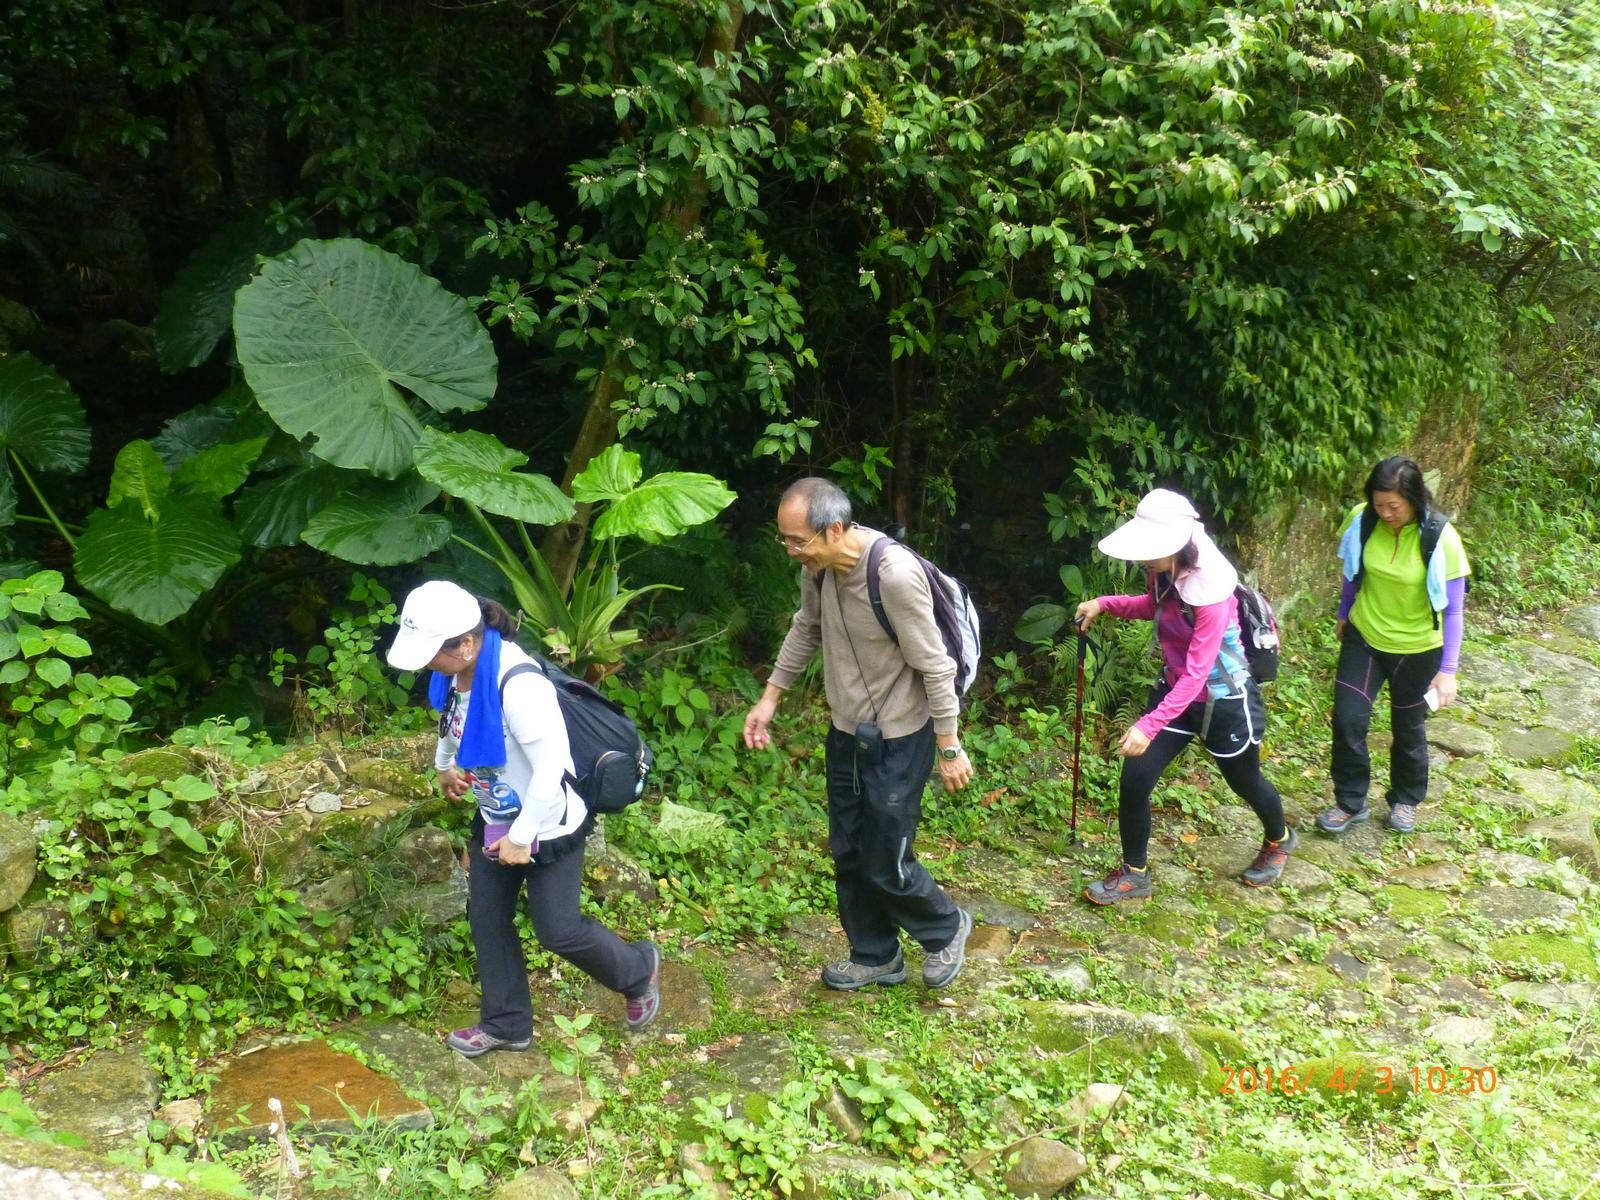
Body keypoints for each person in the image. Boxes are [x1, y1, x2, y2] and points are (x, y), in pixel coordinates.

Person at [386, 580, 661, 1055]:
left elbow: (550, 768)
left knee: (558, 930)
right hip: (496, 813)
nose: (426, 663)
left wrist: (522, 836)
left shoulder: (519, 686)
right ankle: (507, 1025)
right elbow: (452, 720)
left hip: (549, 821)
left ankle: (638, 971)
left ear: (465, 643)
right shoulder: (454, 675)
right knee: (487, 918)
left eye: (431, 652)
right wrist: (444, 765)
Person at [742, 478, 975, 990]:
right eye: (785, 539)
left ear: (836, 529)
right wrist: (770, 697)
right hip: (846, 730)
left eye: (798, 540)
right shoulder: (818, 570)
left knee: (884, 854)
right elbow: (806, 627)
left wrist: (948, 744)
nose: (790, 551)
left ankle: (946, 926)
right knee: (848, 849)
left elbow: (936, 665)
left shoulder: (893, 575)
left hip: (902, 733)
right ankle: (875, 954)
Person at [1073, 489, 1295, 903]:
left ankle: (1279, 839)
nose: (1143, 558)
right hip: (1177, 693)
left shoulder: (1211, 594)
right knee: (1136, 777)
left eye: (1150, 548)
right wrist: (1105, 604)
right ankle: (1135, 874)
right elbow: (1155, 607)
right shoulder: (1164, 570)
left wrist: (1147, 725)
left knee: (1244, 781)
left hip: (1224, 701)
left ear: (1175, 545)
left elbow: (1198, 674)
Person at [1318, 457, 1469, 835]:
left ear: (1414, 499)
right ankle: (1350, 801)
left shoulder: (1442, 538)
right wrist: (1344, 612)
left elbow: (1454, 611)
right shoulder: (1362, 519)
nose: (1385, 513)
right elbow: (1352, 571)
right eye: (1378, 504)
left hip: (1418, 648)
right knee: (1348, 719)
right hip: (1365, 636)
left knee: (1408, 728)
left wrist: (1448, 671)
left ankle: (1405, 799)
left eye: (1394, 507)